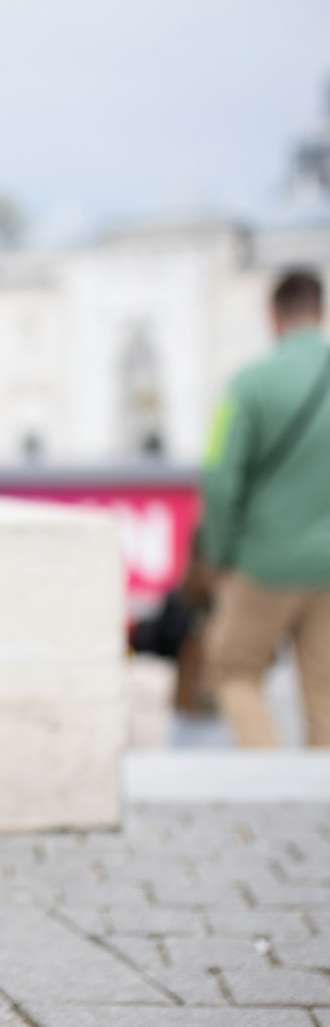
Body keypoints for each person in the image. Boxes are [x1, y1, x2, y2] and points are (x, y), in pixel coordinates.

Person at [202, 268, 330, 746]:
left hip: (263, 563)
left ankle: (268, 778)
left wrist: (222, 551)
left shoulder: (247, 384)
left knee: (235, 674)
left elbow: (217, 473)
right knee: (324, 692)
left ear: (272, 316)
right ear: (321, 312)